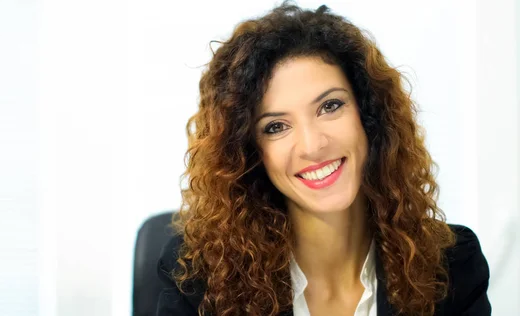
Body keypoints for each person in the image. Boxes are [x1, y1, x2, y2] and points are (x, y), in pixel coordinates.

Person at [156, 3, 491, 316]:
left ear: (368, 114)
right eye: (276, 127)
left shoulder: (451, 267)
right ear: (249, 152)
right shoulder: (199, 279)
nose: (313, 145)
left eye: (330, 106)